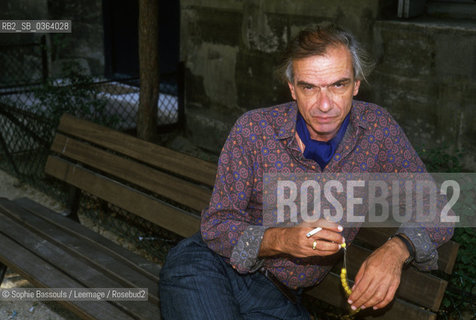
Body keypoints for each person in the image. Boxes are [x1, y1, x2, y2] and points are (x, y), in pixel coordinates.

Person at [159, 23, 453, 319]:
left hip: (279, 299)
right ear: (292, 89)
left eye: (338, 85)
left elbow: (440, 206)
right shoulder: (254, 130)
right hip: (210, 268)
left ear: (356, 85)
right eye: (309, 87)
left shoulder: (377, 130)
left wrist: (397, 250)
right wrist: (282, 239)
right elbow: (217, 225)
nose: (324, 105)